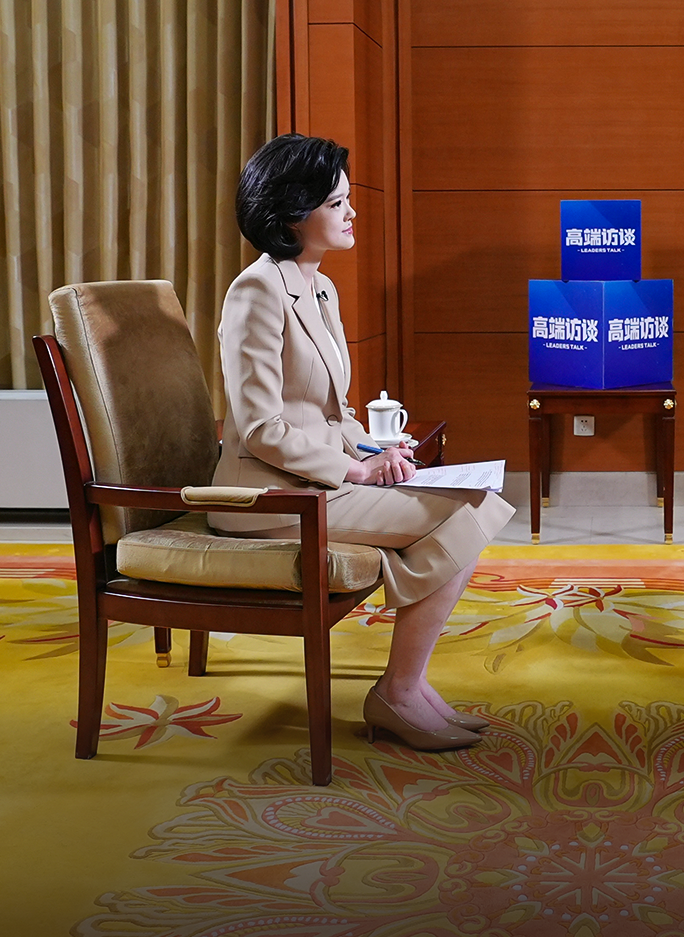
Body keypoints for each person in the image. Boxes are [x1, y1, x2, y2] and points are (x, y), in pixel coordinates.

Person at [212, 133, 515, 752]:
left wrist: (377, 452)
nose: (352, 212)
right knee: (465, 514)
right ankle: (399, 693)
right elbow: (260, 428)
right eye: (336, 203)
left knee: (475, 500)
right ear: (293, 214)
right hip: (267, 496)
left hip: (314, 479)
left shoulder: (319, 286)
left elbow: (334, 411)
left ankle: (409, 686)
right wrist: (354, 472)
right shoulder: (256, 290)